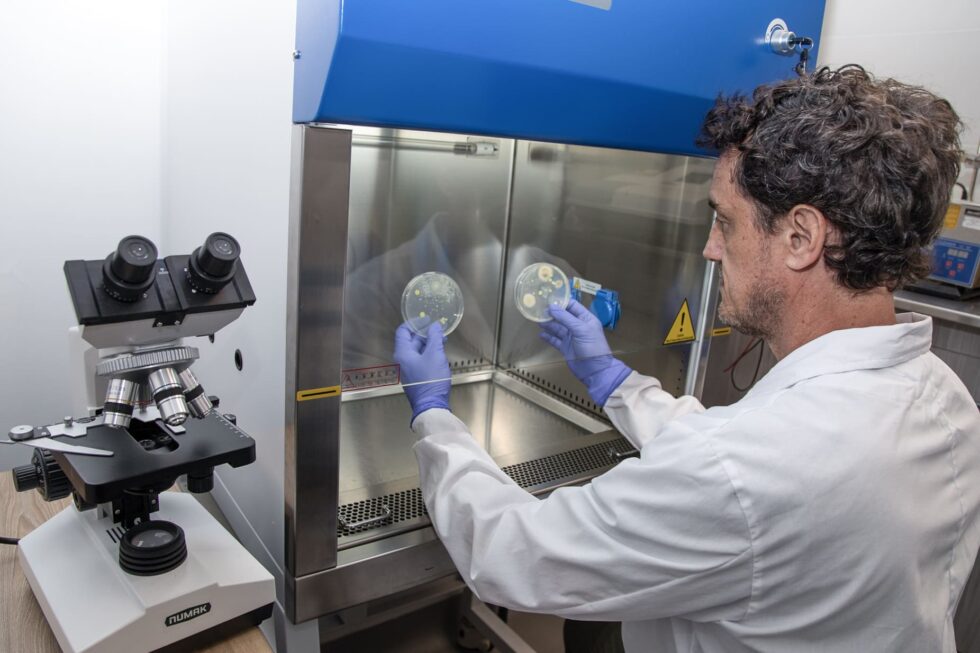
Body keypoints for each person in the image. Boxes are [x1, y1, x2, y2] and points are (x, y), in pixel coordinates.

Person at [393, 66, 980, 652]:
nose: (709, 248)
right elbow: (736, 457)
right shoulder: (946, 398)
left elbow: (514, 555)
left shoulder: (748, 472)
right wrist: (613, 380)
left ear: (801, 237)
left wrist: (434, 414)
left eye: (725, 221)